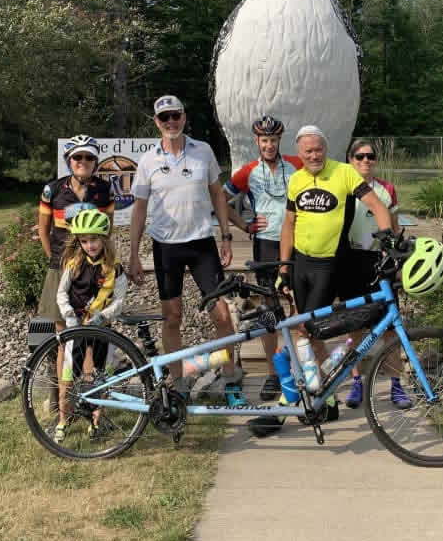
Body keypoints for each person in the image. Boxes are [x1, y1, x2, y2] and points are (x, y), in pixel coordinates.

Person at [248, 125, 393, 436]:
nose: (313, 155)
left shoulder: (343, 173)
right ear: (299, 153)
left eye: (318, 149)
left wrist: (388, 242)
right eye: (307, 151)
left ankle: (289, 407)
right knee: (306, 336)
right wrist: (284, 267)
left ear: (326, 150)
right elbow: (288, 224)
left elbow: (377, 206)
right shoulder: (297, 179)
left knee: (305, 332)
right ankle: (323, 398)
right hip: (300, 263)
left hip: (329, 265)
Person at [128, 95, 245, 407]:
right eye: (164, 118)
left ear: (183, 117)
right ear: (157, 122)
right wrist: (133, 253)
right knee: (172, 318)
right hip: (166, 247)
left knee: (221, 315)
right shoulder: (148, 160)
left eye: (175, 116)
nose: (170, 122)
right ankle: (178, 383)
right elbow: (139, 208)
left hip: (201, 244)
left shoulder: (202, 150)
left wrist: (226, 237)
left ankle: (231, 378)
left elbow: (218, 195)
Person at [225, 115, 302, 400]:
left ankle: (297, 369)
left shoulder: (296, 165)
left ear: (280, 140)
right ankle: (273, 373)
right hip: (266, 245)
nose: (269, 145)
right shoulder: (248, 172)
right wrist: (243, 225)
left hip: (297, 242)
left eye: (274, 140)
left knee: (299, 307)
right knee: (269, 309)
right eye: (264, 140)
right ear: (257, 141)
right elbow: (219, 198)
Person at [340, 139, 411, 410]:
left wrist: (398, 262)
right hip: (352, 259)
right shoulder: (343, 188)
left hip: (380, 259)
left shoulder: (386, 189)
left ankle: (396, 384)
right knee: (354, 325)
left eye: (370, 157)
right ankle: (357, 382)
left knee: (390, 328)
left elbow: (394, 228)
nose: (365, 161)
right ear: (350, 160)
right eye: (359, 157)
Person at [54, 208, 126, 442]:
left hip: (103, 329)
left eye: (94, 239)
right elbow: (61, 293)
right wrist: (67, 314)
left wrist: (102, 316)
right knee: (68, 376)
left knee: (101, 376)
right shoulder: (73, 264)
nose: (89, 245)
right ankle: (63, 421)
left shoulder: (116, 269)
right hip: (76, 328)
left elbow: (120, 302)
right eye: (84, 241)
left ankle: (96, 421)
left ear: (103, 239)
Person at [37, 134, 113, 324]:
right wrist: (53, 258)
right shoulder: (52, 190)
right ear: (69, 160)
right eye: (77, 157)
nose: (83, 161)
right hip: (61, 264)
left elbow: (108, 230)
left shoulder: (105, 190)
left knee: (94, 320)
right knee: (61, 323)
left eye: (89, 157)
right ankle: (64, 353)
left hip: (93, 265)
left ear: (95, 162)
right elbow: (43, 231)